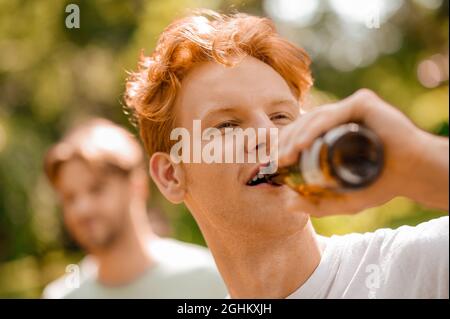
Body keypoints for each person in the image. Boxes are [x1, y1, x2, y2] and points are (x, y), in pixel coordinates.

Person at [124, 10, 449, 298]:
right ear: (170, 176)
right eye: (226, 125)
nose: (267, 134)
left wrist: (421, 163)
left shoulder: (422, 266)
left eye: (281, 117)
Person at [42, 118, 227, 298]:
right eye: (69, 198)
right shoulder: (60, 296)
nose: (82, 209)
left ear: (137, 185)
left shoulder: (209, 280)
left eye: (96, 189)